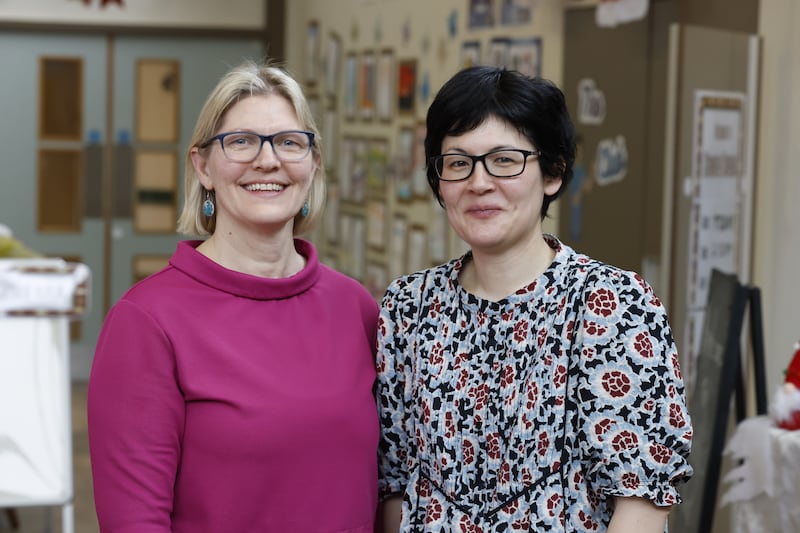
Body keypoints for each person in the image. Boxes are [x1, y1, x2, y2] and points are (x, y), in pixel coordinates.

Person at [375, 66, 692, 532]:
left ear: (553, 173)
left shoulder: (610, 304)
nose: (478, 183)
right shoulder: (408, 306)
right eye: (458, 163)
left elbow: (640, 502)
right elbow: (395, 484)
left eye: (505, 160)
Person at [88, 59, 380, 533]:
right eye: (241, 142)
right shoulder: (147, 321)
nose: (268, 161)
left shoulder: (356, 308)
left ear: (313, 164)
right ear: (203, 165)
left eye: (289, 142)